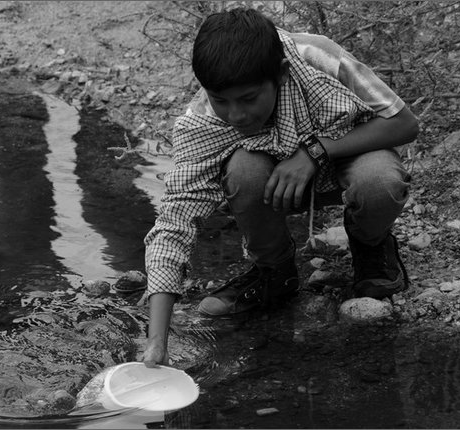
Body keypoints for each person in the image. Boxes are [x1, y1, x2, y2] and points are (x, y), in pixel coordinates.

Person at [141, 8, 419, 367]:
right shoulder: (201, 123)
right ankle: (274, 273)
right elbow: (174, 223)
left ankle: (371, 246)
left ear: (281, 75)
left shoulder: (317, 58)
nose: (236, 115)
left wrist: (315, 152)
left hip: (348, 158)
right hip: (274, 185)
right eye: (221, 100)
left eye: (249, 99)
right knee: (242, 168)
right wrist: (156, 341)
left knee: (380, 181)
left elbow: (404, 123)